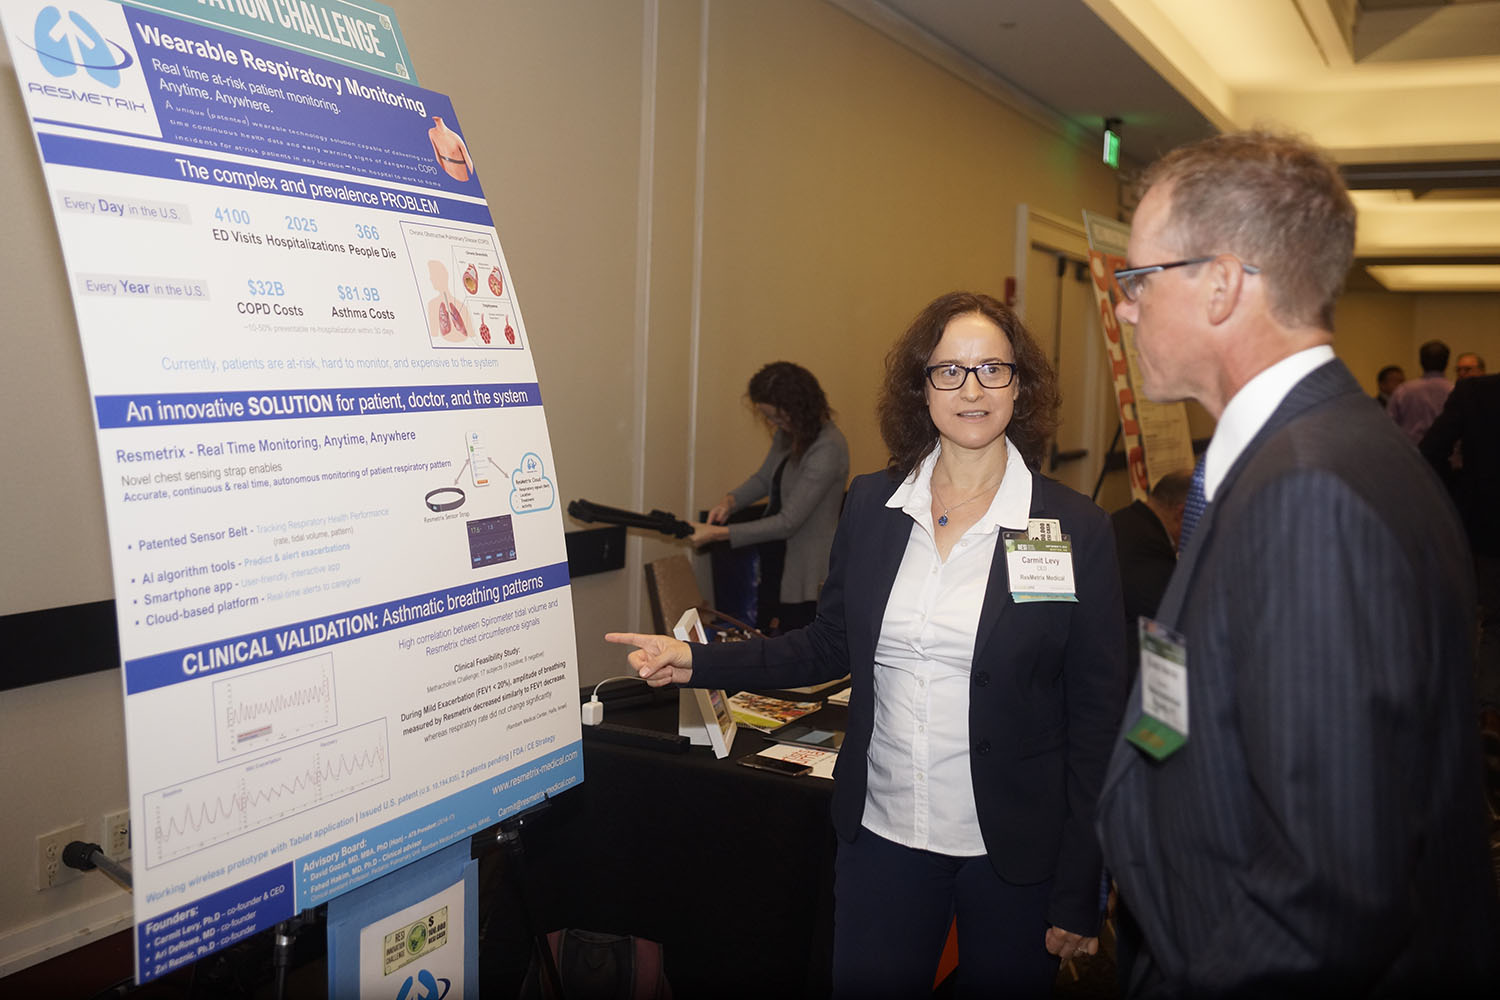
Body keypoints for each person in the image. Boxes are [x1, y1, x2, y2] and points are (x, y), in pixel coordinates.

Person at [609, 292, 1126, 996]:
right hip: (884, 835)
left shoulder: (1074, 527)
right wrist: (697, 660)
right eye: (949, 371)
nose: (971, 389)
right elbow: (827, 645)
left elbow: (1098, 719)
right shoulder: (875, 505)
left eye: (993, 369)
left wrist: (1083, 883)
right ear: (922, 387)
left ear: (1020, 386)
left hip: (1015, 848)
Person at [1095, 130, 1498, 997]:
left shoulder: (1310, 493)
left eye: (1139, 279)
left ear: (1221, 285)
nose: (1125, 310)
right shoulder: (1323, 448)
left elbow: (1327, 898)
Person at [689, 361, 849, 632]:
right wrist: (730, 501)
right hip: (777, 554)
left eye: (776, 417)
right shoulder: (790, 435)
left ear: (798, 409)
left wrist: (717, 534)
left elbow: (788, 521)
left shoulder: (828, 448)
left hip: (807, 567)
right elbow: (764, 479)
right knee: (767, 632)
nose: (773, 424)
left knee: (793, 637)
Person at [1420, 372, 1500, 745]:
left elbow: (1431, 450)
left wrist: (1460, 489)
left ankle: (1486, 713)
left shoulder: (1476, 392)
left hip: (1484, 522)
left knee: (1485, 619)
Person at [1109, 469, 1191, 679]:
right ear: (1181, 513)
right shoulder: (1150, 552)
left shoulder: (1124, 519)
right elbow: (1172, 622)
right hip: (1124, 674)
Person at [1385, 338, 1452, 442]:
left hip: (1410, 449)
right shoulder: (1454, 390)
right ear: (1447, 362)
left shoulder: (1403, 390)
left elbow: (1389, 425)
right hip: (1445, 449)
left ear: (1421, 361)